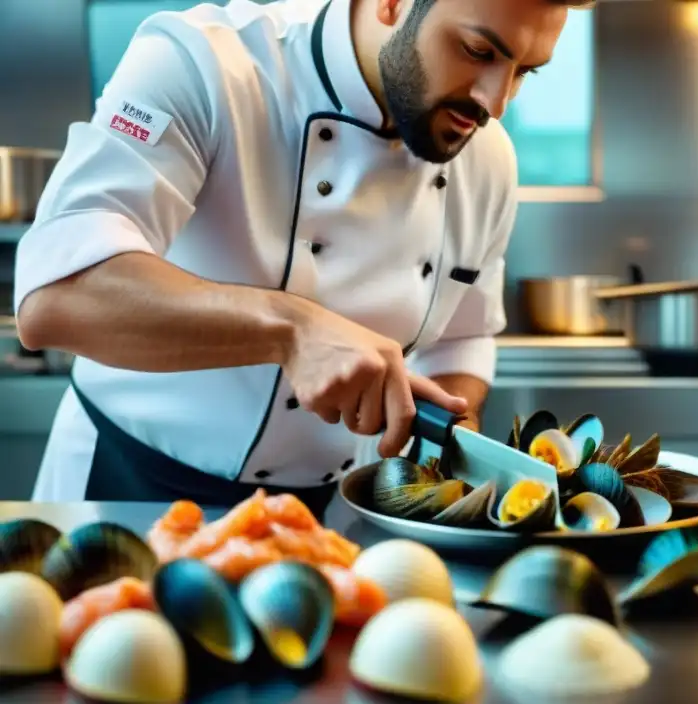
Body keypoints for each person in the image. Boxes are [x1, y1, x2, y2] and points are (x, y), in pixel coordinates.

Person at [13, 0, 591, 518]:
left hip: (317, 520)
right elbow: (57, 295)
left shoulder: (487, 159)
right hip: (118, 495)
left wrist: (447, 491)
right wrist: (293, 330)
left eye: (524, 71)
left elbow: (460, 343)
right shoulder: (205, 65)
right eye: (478, 51)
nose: (495, 102)